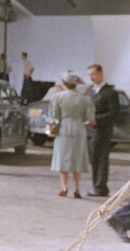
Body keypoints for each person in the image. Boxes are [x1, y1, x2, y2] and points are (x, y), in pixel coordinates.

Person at [49, 70, 95, 198]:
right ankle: (77, 188)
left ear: (64, 83)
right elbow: (89, 118)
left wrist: (52, 127)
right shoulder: (85, 99)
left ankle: (64, 187)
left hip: (63, 130)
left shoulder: (57, 97)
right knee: (77, 159)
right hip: (79, 130)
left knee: (63, 159)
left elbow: (54, 116)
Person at [86, 63, 120, 197]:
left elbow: (114, 113)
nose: (91, 77)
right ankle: (96, 186)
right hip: (89, 130)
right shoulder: (90, 90)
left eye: (93, 74)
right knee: (93, 159)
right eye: (89, 75)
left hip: (102, 131)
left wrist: (97, 120)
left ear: (101, 74)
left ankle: (100, 188)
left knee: (101, 159)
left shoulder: (109, 93)